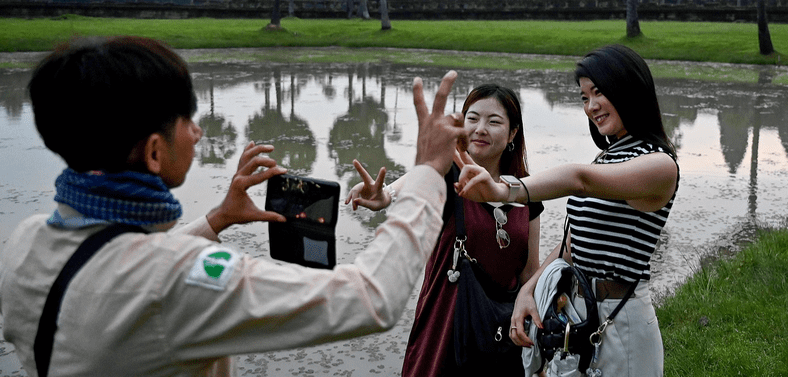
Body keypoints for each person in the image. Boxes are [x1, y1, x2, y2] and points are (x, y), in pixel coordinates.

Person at [0, 36, 467, 377]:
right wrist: (427, 171)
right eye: (187, 120)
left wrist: (218, 219)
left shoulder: (26, 242)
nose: (199, 133)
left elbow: (113, 276)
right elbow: (371, 299)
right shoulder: (181, 277)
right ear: (155, 153)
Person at [456, 44, 680, 377]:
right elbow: (573, 244)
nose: (591, 106)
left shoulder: (660, 166)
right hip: (579, 310)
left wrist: (505, 190)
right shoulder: (609, 157)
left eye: (599, 93)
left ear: (629, 89)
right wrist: (529, 290)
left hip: (621, 322)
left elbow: (579, 179)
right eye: (584, 97)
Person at [346, 84, 544, 376]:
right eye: (472, 118)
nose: (480, 129)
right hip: (444, 331)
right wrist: (384, 196)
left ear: (513, 133)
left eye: (494, 121)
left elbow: (530, 274)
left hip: (502, 338)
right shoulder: (448, 176)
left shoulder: (526, 192)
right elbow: (414, 182)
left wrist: (537, 349)